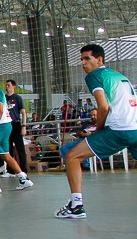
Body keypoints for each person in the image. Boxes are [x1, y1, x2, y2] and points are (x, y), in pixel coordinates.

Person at [58, 44, 137, 219]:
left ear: (99, 59)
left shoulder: (95, 76)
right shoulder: (118, 75)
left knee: (72, 156)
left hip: (119, 130)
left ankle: (76, 206)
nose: (83, 63)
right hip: (135, 129)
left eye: (87, 59)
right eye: (81, 59)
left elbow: (103, 107)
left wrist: (98, 130)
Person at [4, 79, 28, 176]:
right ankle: (10, 171)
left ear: (13, 86)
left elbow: (23, 113)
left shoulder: (17, 98)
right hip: (7, 125)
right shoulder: (4, 98)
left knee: (20, 148)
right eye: (6, 85)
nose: (7, 87)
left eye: (8, 85)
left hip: (16, 124)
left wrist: (24, 126)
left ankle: (23, 170)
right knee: (8, 149)